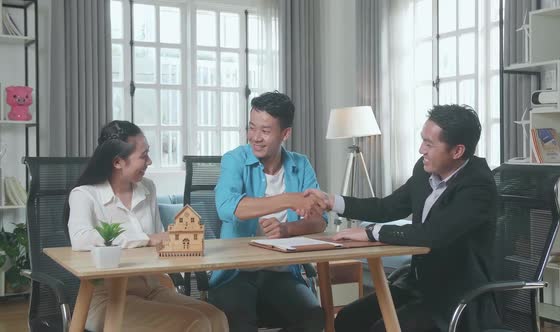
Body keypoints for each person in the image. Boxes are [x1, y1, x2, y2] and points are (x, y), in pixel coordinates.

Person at [306, 105, 500, 332]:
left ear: (457, 151)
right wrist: (333, 201)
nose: (421, 150)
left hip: (456, 298)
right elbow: (387, 208)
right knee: (348, 319)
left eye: (429, 144)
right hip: (417, 286)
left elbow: (432, 235)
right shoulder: (425, 170)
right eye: (422, 141)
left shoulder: (478, 187)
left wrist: (371, 232)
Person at [66, 120, 228, 332]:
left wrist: (180, 242)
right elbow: (81, 238)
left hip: (154, 288)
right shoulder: (84, 195)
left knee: (216, 316)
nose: (149, 161)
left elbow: (158, 239)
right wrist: (147, 239)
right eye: (143, 156)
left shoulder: (148, 188)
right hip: (107, 298)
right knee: (194, 324)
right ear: (117, 162)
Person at [209, 91, 327, 332]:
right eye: (252, 128)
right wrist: (286, 200)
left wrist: (287, 229)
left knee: (314, 318)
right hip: (235, 274)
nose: (255, 137)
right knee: (239, 322)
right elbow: (227, 207)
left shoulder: (300, 165)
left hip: (281, 274)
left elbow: (319, 221)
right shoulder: (234, 160)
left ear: (285, 134)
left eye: (265, 131)